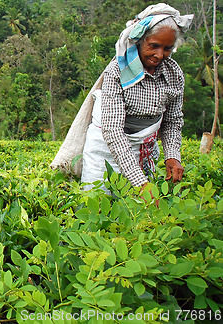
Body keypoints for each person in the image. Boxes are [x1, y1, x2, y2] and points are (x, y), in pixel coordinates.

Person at [81, 3, 193, 190]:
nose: (159, 55)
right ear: (140, 40)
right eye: (154, 46)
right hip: (106, 150)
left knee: (140, 213)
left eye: (167, 48)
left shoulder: (174, 74)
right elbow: (113, 132)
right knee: (98, 203)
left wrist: (172, 156)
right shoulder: (117, 71)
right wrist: (141, 183)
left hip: (144, 149)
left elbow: (172, 120)